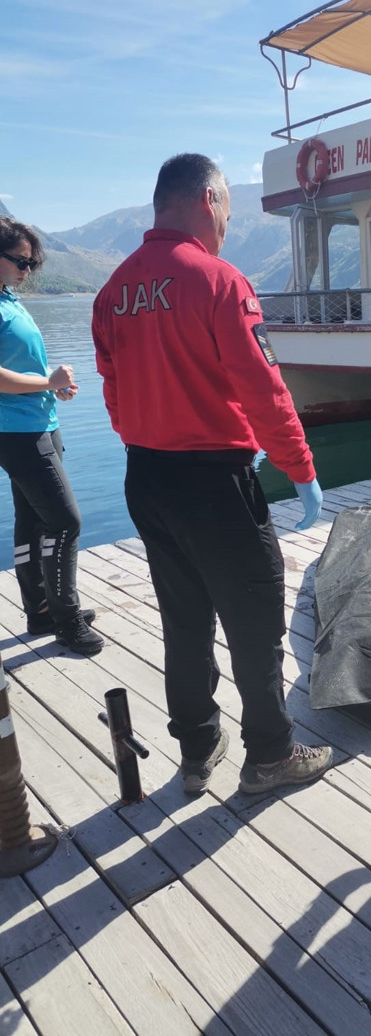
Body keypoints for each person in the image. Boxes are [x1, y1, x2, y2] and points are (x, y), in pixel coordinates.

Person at [92, 154, 333, 797]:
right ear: (206, 198)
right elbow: (264, 388)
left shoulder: (113, 291)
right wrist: (299, 468)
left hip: (146, 478)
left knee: (184, 616)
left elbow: (114, 394)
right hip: (214, 483)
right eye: (226, 207)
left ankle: (199, 745)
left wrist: (156, 436)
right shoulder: (220, 280)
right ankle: (272, 756)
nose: (227, 222)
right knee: (255, 621)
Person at [0, 218, 104, 655]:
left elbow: (18, 368)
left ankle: (40, 611)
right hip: (19, 432)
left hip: (38, 422)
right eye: (20, 261)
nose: (27, 270)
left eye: (33, 263)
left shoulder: (9, 300)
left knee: (34, 521)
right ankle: (66, 622)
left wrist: (50, 382)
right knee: (66, 521)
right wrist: (46, 384)